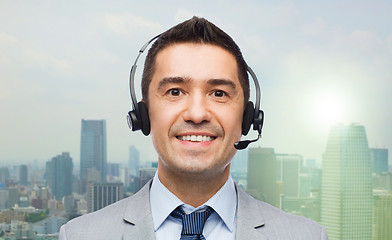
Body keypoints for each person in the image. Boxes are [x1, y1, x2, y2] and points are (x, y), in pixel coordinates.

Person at [59, 16, 328, 240]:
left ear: (247, 117)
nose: (197, 114)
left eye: (219, 93)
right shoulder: (79, 235)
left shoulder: (306, 236)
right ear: (144, 113)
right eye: (175, 91)